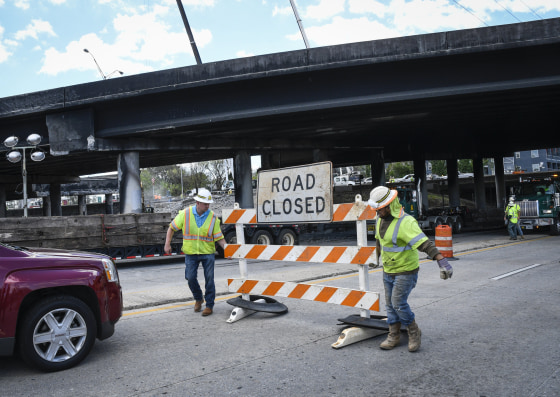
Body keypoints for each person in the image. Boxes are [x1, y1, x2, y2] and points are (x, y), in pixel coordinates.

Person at [368, 186, 453, 352]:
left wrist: (442, 261)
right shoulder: (379, 220)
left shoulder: (406, 222)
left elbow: (423, 243)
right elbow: (379, 241)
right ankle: (393, 335)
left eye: (379, 209)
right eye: (376, 209)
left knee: (398, 303)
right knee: (390, 305)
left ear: (389, 205)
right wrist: (375, 258)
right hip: (388, 270)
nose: (377, 212)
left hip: (406, 270)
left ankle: (413, 331)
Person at [164, 188, 226, 316]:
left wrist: (229, 251)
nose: (207, 206)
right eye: (205, 204)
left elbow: (219, 237)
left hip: (207, 253)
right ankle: (198, 298)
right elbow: (171, 228)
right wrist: (167, 244)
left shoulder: (213, 217)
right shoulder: (185, 214)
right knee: (190, 278)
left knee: (209, 279)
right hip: (191, 253)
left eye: (209, 204)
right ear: (197, 202)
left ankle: (209, 305)